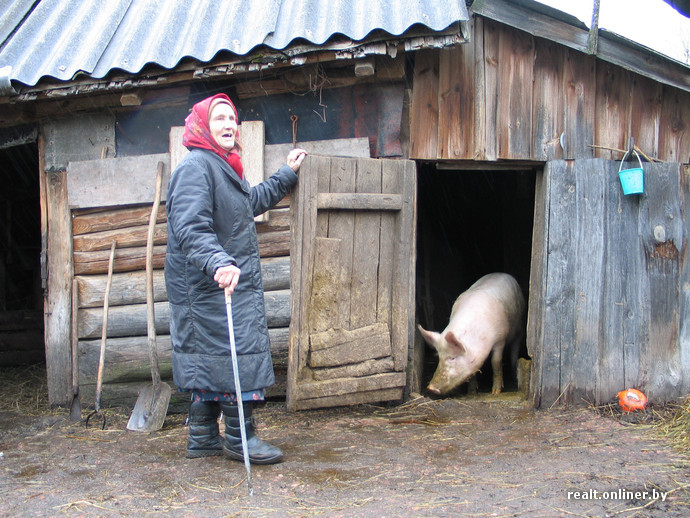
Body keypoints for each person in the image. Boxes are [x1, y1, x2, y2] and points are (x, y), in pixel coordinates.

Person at [165, 93, 306, 464]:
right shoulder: (196, 167)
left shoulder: (223, 166)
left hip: (216, 281)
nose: (229, 125)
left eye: (233, 119)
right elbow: (190, 226)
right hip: (207, 286)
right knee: (230, 357)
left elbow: (249, 204)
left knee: (212, 357)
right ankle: (240, 439)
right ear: (202, 128)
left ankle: (203, 437)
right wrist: (217, 262)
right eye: (220, 119)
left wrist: (285, 175)